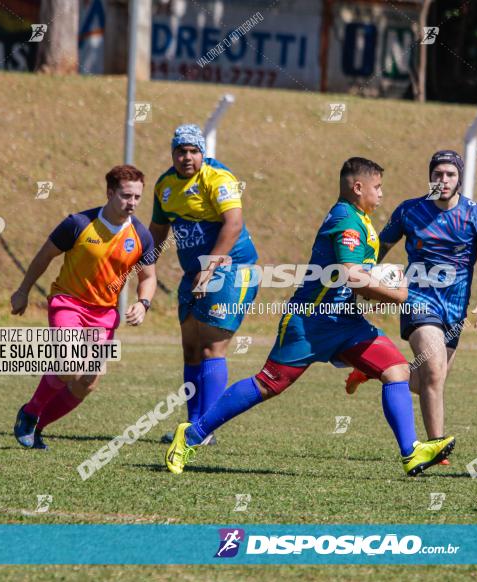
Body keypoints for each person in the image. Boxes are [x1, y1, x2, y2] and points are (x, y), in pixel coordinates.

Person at [164, 157, 455, 476]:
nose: (382, 193)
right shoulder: (346, 220)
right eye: (378, 187)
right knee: (267, 385)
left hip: (345, 322)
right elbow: (350, 275)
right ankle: (190, 435)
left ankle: (410, 453)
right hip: (311, 321)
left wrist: (382, 280)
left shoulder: (360, 218)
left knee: (396, 369)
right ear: (358, 188)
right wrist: (399, 294)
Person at [343, 150, 477, 467]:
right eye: (437, 173)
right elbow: (378, 246)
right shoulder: (409, 210)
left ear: (459, 178)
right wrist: (362, 281)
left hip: (455, 310)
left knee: (427, 380)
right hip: (418, 301)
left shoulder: (476, 215)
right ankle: (436, 447)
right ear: (430, 175)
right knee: (433, 371)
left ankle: (373, 371)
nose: (443, 180)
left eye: (450, 174)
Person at [12, 164, 156, 449]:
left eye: (138, 197)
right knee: (68, 363)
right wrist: (23, 290)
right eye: (126, 196)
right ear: (109, 193)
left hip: (104, 314)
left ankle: (37, 425)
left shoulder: (141, 235)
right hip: (68, 302)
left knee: (88, 380)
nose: (133, 203)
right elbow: (44, 257)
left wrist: (143, 303)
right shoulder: (78, 223)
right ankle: (30, 411)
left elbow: (148, 277)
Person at [149, 124, 258, 445]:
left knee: (212, 346)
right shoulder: (165, 185)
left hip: (230, 269)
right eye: (181, 151)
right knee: (192, 349)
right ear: (172, 154)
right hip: (193, 273)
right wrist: (144, 267)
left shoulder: (218, 178)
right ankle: (192, 425)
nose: (187, 157)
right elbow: (157, 231)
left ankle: (204, 430)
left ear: (203, 153)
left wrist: (209, 267)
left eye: (194, 151)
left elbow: (233, 223)